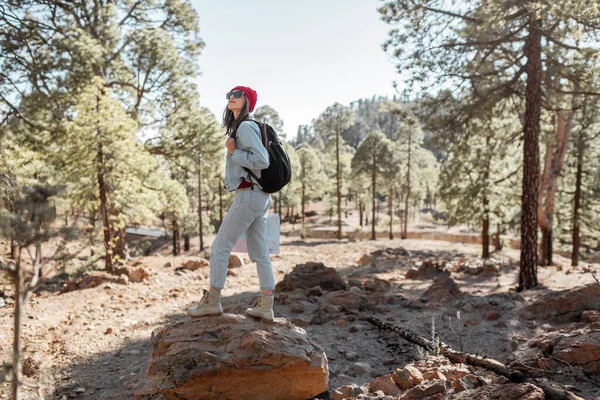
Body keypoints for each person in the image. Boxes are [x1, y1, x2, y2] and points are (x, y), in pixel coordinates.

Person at [187, 85, 276, 321]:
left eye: (237, 94)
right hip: (261, 197)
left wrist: (234, 151)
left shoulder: (245, 126)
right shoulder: (244, 126)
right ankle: (266, 305)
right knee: (259, 253)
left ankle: (212, 301)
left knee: (220, 247)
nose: (231, 97)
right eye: (229, 94)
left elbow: (261, 160)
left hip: (248, 196)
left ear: (248, 101)